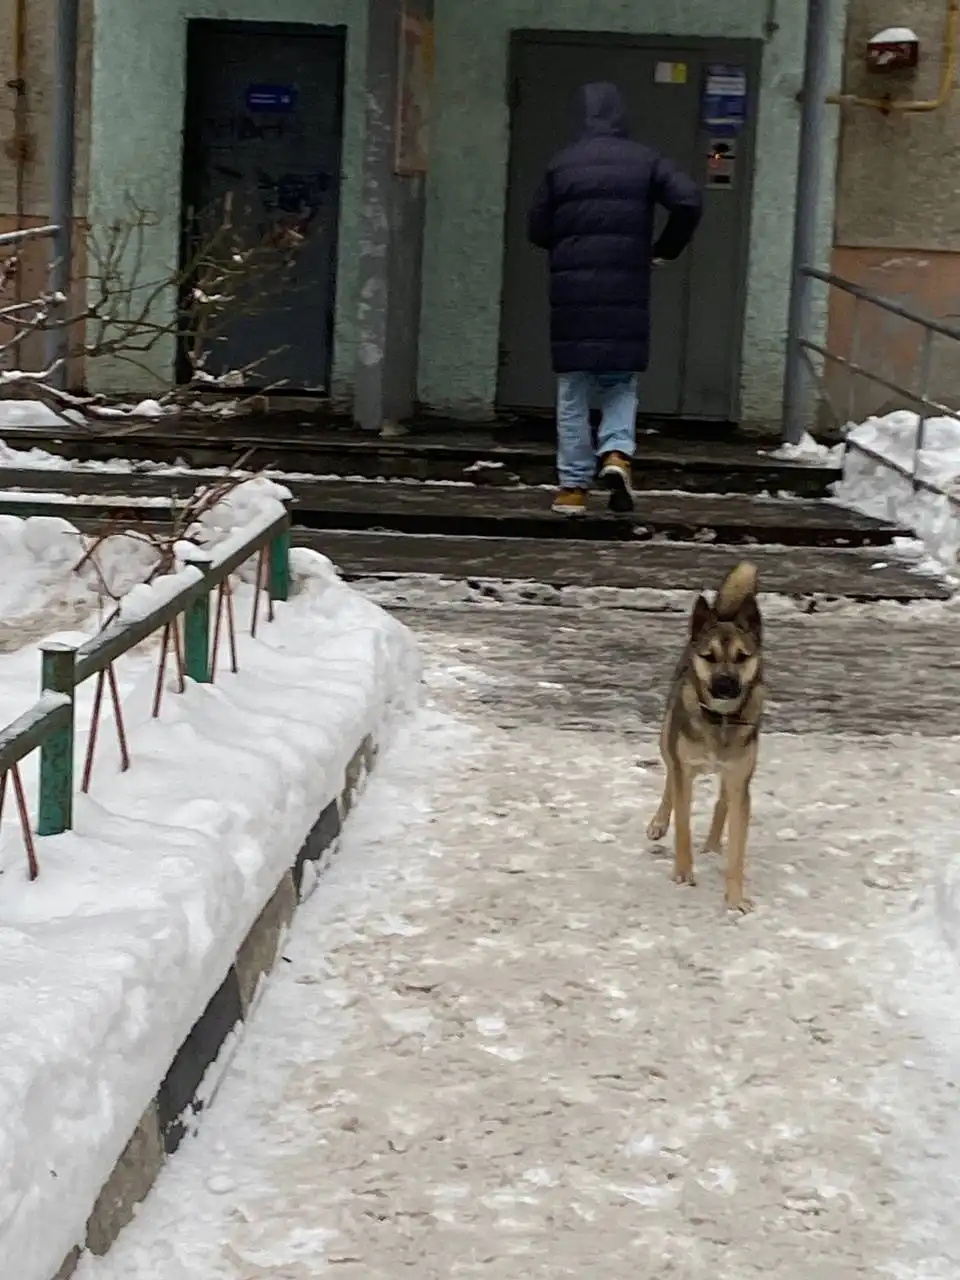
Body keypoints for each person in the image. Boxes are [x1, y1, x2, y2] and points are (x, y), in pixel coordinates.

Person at [527, 81, 703, 516]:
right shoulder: (645, 161)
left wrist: (570, 244)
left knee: (573, 392)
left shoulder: (562, 164)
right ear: (622, 117)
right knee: (620, 383)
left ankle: (572, 488)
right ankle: (617, 454)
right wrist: (664, 248)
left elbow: (536, 229)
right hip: (626, 289)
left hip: (572, 295)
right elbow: (689, 200)